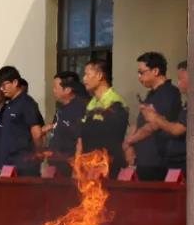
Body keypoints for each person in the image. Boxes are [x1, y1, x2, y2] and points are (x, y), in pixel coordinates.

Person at [123, 52, 183, 181]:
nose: (139, 77)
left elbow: (153, 125)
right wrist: (130, 146)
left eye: (141, 72)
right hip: (144, 159)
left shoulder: (168, 92)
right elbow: (140, 122)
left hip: (157, 161)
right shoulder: (152, 93)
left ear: (155, 71)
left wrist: (129, 141)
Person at [78, 59, 129, 178]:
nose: (84, 79)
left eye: (87, 74)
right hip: (89, 164)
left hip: (108, 164)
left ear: (100, 75)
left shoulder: (115, 102)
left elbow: (114, 136)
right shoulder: (92, 103)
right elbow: (83, 133)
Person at [0, 66, 45, 176]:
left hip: (23, 167)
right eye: (0, 86)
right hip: (8, 166)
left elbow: (37, 133)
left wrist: (39, 153)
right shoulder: (9, 105)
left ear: (15, 82)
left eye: (4, 85)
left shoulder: (27, 103)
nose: (2, 89)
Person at [142, 59, 188, 174]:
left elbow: (177, 129)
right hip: (173, 160)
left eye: (181, 78)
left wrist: (155, 118)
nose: (179, 83)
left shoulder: (170, 93)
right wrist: (157, 116)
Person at [43, 71, 90, 176]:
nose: (53, 90)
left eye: (56, 87)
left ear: (67, 90)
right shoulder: (61, 108)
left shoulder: (79, 109)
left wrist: (76, 169)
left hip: (69, 169)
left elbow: (80, 141)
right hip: (55, 167)